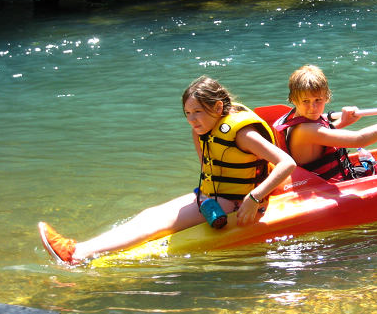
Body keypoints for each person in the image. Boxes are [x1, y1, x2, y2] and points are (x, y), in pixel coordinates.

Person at [38, 75, 297, 265]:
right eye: (187, 113)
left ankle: (77, 253)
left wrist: (254, 199)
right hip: (212, 195)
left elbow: (287, 163)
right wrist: (205, 198)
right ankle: (83, 248)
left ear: (218, 108)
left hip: (236, 202)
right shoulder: (203, 131)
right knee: (149, 214)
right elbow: (210, 170)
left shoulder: (243, 134)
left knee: (159, 223)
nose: (192, 119)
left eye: (198, 112)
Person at [272, 65, 377, 182]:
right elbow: (360, 139)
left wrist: (341, 122)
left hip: (333, 178)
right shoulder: (305, 129)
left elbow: (316, 142)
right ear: (293, 99)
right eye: (306, 101)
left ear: (326, 97)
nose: (313, 107)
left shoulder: (290, 118)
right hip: (334, 186)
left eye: (318, 100)